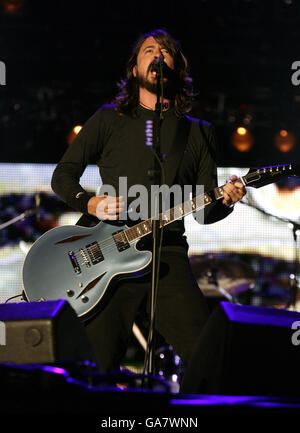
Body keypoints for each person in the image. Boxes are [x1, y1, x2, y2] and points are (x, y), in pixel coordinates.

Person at [51, 29, 246, 383]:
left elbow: (204, 211)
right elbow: (62, 176)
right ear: (135, 67)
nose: (158, 54)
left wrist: (226, 202)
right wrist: (90, 202)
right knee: (94, 368)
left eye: (166, 51)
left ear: (177, 67)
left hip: (167, 255)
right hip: (108, 253)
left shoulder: (199, 132)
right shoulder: (109, 119)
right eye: (149, 50)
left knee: (211, 361)